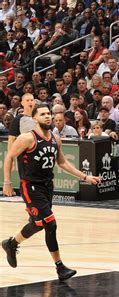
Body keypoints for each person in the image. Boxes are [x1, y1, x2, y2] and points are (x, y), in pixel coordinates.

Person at [2, 105, 101, 280]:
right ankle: (60, 267)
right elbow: (9, 156)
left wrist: (85, 177)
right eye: (43, 114)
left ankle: (11, 243)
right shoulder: (27, 138)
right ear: (34, 119)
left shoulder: (56, 138)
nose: (48, 117)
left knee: (38, 224)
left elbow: (62, 163)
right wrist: (7, 182)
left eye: (49, 113)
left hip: (48, 186)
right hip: (31, 186)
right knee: (50, 223)